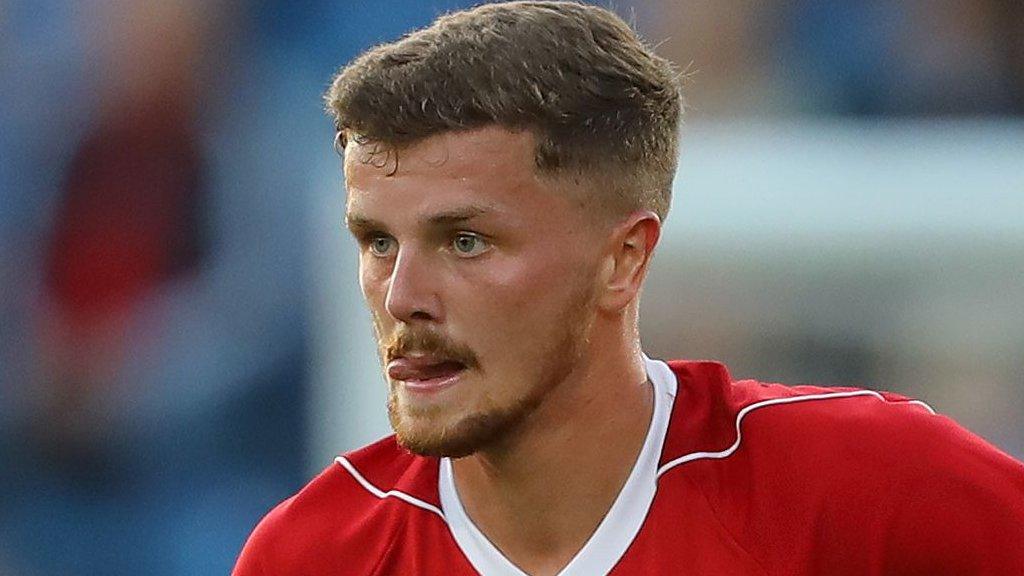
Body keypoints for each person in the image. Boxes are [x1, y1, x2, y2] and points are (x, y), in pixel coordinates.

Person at [233, 2, 1024, 574]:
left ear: (624, 259)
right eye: (377, 242)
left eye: (464, 241)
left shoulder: (860, 487)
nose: (401, 295)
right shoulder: (311, 553)